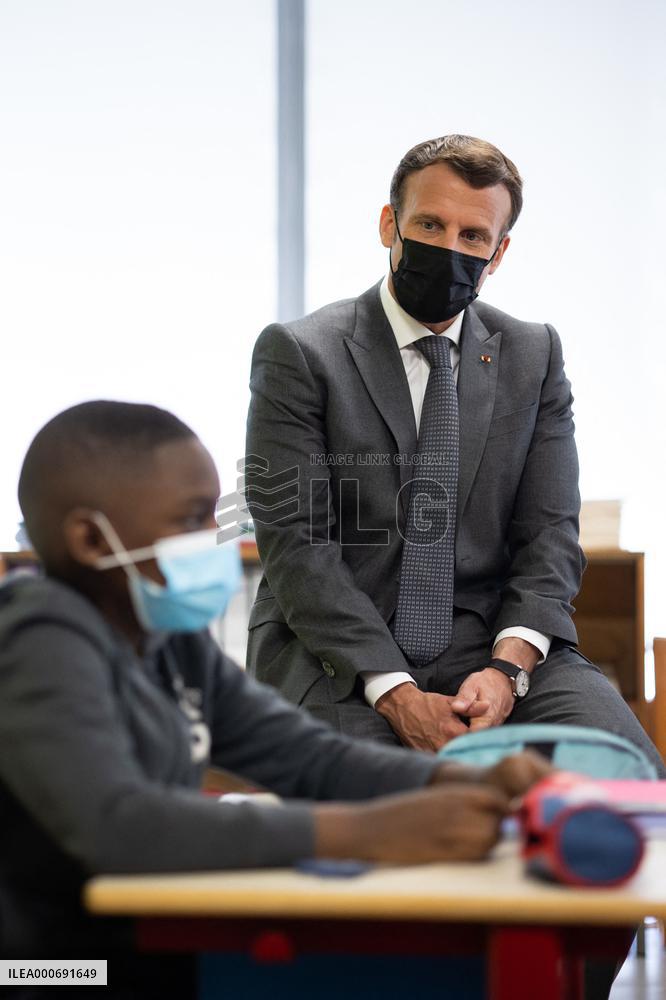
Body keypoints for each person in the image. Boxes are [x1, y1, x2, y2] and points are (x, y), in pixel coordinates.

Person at [0, 400, 549, 995]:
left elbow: (307, 757)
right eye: (188, 520)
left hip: (146, 940)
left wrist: (460, 780)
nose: (211, 539)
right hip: (46, 968)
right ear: (89, 538)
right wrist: (371, 832)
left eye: (211, 517)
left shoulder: (170, 642)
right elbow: (119, 827)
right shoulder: (40, 641)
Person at [245, 133, 664, 778]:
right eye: (429, 225)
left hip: (491, 647)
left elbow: (550, 534)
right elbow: (297, 546)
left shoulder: (534, 355)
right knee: (391, 804)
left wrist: (506, 670)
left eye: (473, 236)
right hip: (338, 654)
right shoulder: (300, 353)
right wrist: (396, 692)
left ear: (499, 252)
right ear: (389, 224)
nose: (450, 248)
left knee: (627, 775)